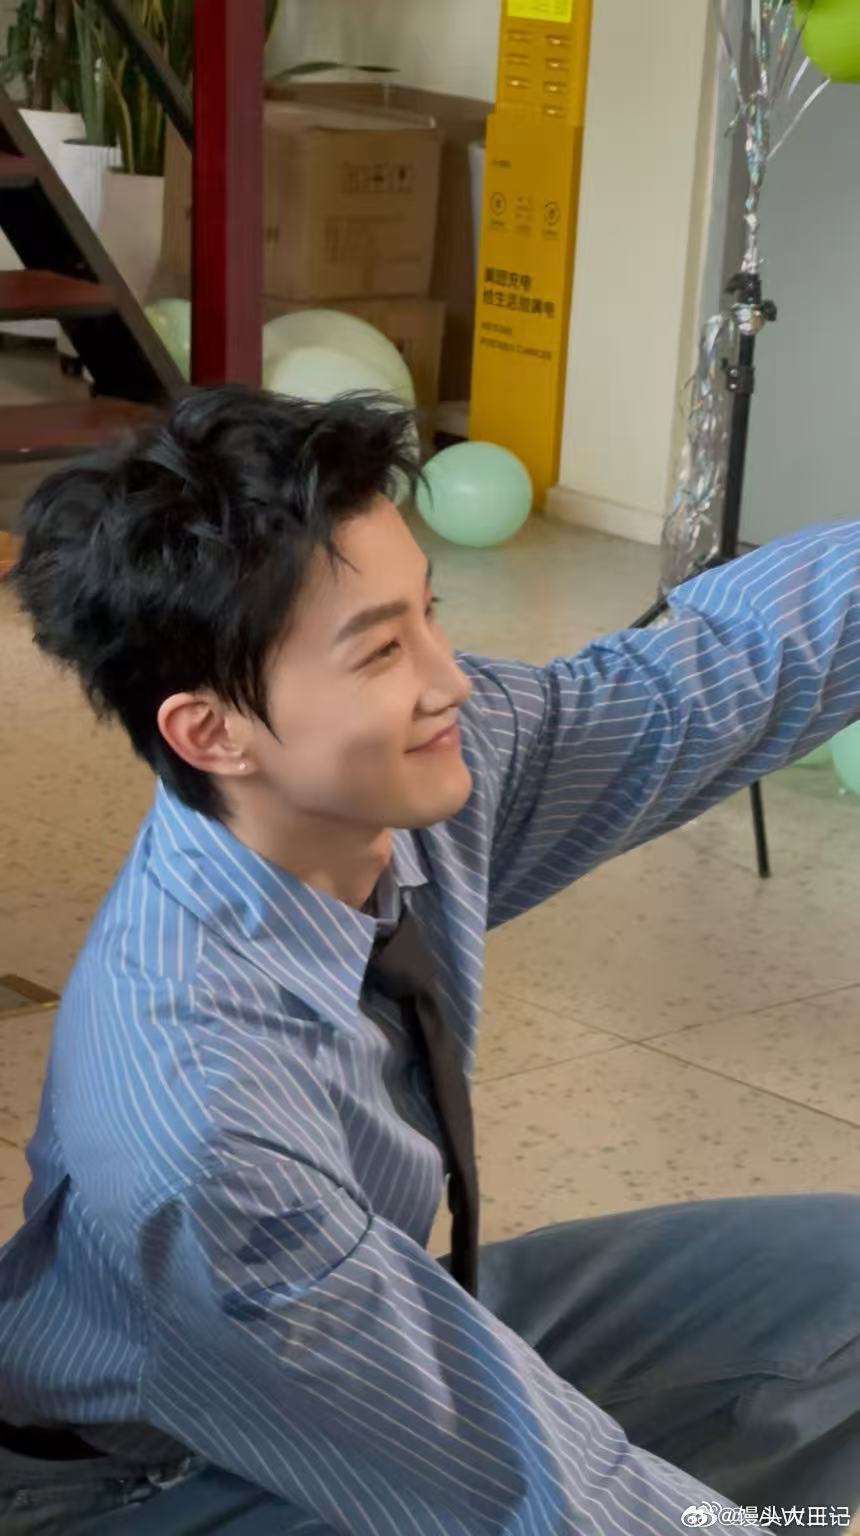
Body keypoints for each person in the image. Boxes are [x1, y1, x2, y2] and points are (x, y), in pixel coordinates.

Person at [1, 385, 858, 1536]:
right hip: (133, 1483)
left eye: (428, 614)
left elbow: (713, 675)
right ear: (210, 731)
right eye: (379, 651)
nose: (448, 680)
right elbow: (542, 1498)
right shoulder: (203, 1125)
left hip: (338, 1316)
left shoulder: (396, 785)